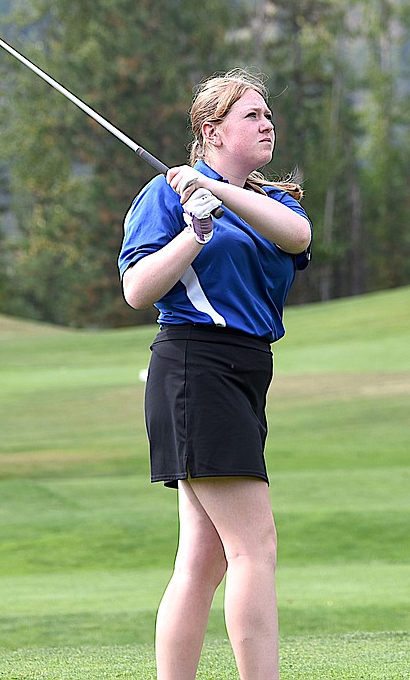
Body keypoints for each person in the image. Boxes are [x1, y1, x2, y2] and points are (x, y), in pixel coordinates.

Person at [118, 68, 311, 679]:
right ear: (211, 130)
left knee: (202, 560)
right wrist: (194, 234)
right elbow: (137, 289)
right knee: (255, 547)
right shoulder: (164, 197)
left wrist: (217, 192)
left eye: (268, 117)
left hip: (246, 372)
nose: (267, 126)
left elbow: (297, 236)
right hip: (193, 365)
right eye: (251, 116)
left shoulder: (269, 203)